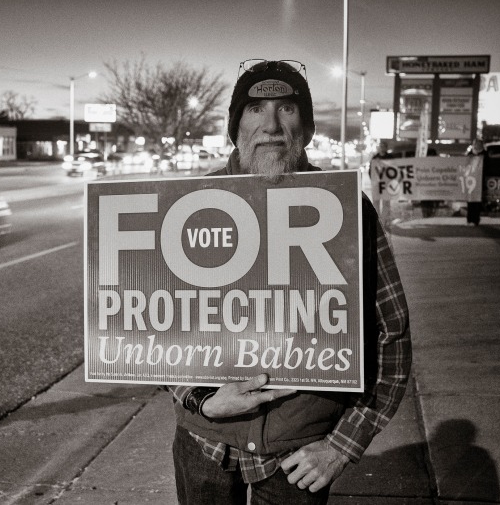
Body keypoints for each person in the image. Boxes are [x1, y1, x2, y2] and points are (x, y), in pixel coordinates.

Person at [169, 59, 412, 505]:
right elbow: (146, 332)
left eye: (287, 109)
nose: (272, 125)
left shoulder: (344, 208)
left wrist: (344, 445)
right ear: (235, 125)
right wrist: (200, 399)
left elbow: (391, 333)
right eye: (256, 109)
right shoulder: (191, 203)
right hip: (204, 447)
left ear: (307, 127)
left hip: (297, 459)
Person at [465, 138, 485, 225]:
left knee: (477, 201)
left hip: (479, 181)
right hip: (471, 180)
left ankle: (475, 219)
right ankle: (470, 219)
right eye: (474, 144)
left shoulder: (484, 154)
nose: (475, 145)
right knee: (470, 200)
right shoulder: (470, 154)